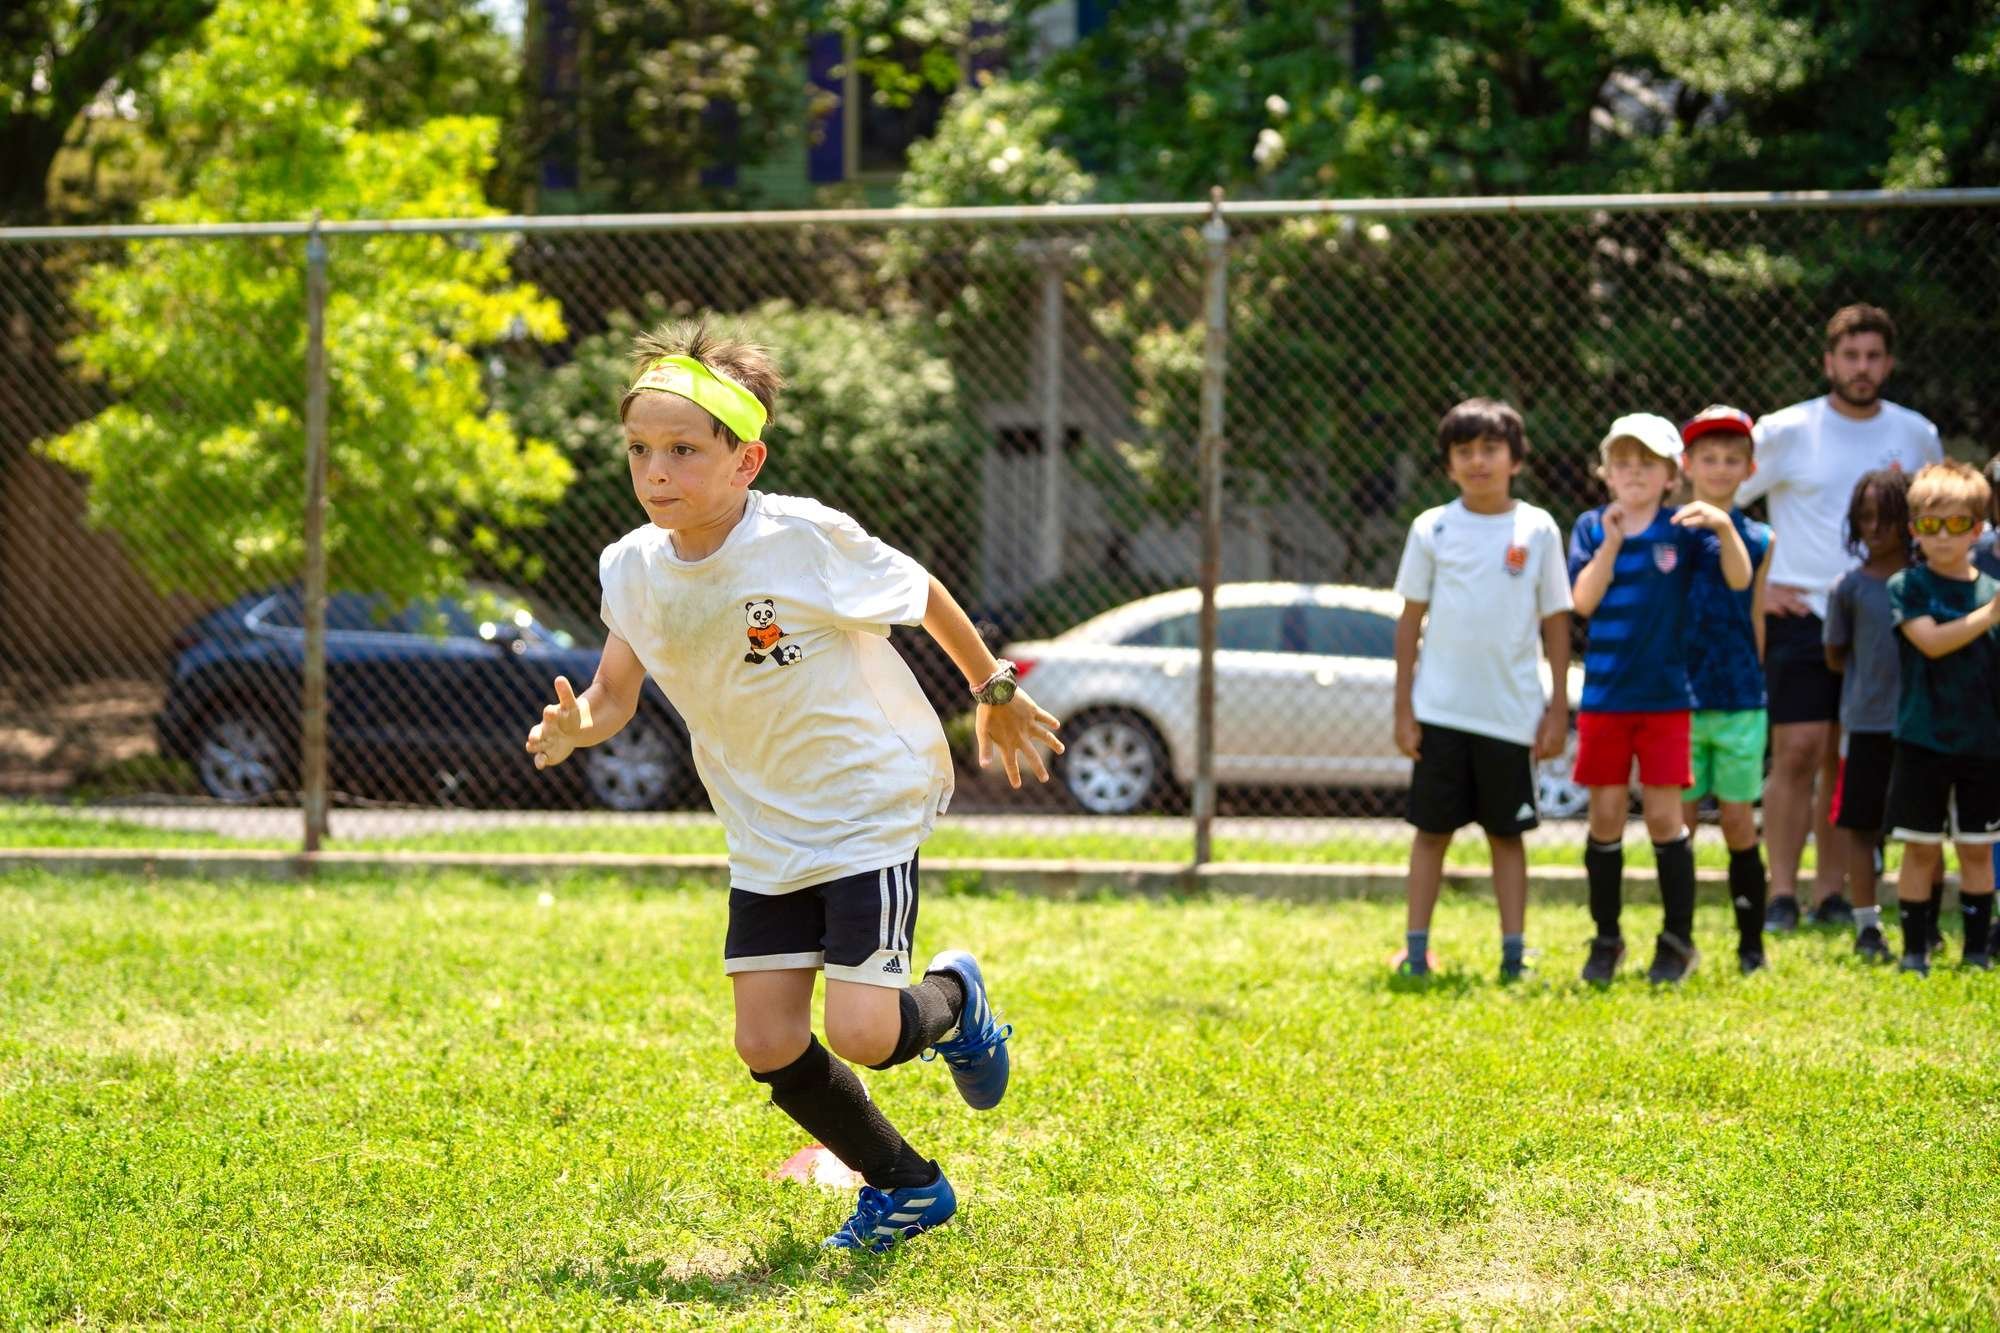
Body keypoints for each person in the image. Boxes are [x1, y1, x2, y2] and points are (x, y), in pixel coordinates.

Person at [524, 318, 1064, 1250]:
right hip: (764, 829)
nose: (657, 471)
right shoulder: (632, 569)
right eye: (640, 450)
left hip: (862, 805)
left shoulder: (804, 539)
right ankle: (906, 1187)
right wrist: (580, 727)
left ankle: (952, 1000)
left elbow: (923, 591)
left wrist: (995, 689)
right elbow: (616, 691)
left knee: (862, 1029)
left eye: (684, 451)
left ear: (746, 460)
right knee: (767, 1042)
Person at [1736, 305, 1942, 932]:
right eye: (1849, 356)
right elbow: (1722, 505)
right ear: (1828, 362)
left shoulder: (1916, 435)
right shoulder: (1786, 430)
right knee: (1797, 750)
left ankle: (1831, 894)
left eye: (1873, 356)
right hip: (1801, 613)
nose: (1861, 368)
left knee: (1846, 760)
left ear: (1889, 362)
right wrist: (1757, 591)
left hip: (1886, 618)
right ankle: (1779, 894)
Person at [1392, 398, 1572, 983]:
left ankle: (1514, 954)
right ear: (1447, 465)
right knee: (1431, 833)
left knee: (1507, 835)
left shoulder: (1538, 528)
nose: (1478, 462)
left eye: (1490, 449)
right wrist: (1403, 708)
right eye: (1464, 451)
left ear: (1515, 459)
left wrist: (1556, 708)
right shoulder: (1432, 528)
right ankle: (1415, 951)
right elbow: (1408, 621)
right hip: (1440, 712)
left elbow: (1556, 622)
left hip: (1510, 716)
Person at [1569, 413, 1752, 985]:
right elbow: (1582, 601)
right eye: (1623, 462)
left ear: (1672, 473)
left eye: (1647, 463)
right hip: (1604, 698)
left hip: (1668, 700)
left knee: (1665, 820)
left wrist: (1725, 529)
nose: (1634, 473)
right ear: (1606, 472)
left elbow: (1741, 580)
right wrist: (1613, 545)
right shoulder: (1592, 527)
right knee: (1603, 819)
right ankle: (1606, 940)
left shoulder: (1686, 527)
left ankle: (1677, 942)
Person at [1884, 460, 2000, 974]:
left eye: (1957, 523)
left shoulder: (1990, 590)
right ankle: (1914, 952)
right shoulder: (1906, 586)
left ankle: (1976, 953)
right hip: (1922, 741)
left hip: (1983, 744)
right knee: (1921, 853)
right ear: (1914, 530)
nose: (1944, 536)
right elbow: (1930, 642)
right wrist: (1990, 616)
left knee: (1977, 853)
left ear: (1978, 529)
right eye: (1931, 525)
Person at [1677, 406, 1775, 973]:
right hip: (1679, 700)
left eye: (1731, 459)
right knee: (1679, 824)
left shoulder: (1760, 537)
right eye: (1708, 458)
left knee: (1739, 823)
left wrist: (1757, 680)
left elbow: (1753, 609)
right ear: (1687, 465)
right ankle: (1679, 941)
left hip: (1740, 698)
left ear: (1749, 469)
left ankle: (1751, 946)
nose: (1719, 469)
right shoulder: (1664, 532)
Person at [1823, 469, 1914, 963]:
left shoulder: (1926, 583)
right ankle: (1867, 925)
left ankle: (1921, 923)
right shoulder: (1849, 588)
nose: (1876, 528)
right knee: (1860, 827)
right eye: (1865, 518)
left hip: (1922, 727)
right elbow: (1835, 655)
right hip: (1865, 726)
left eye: (1888, 518)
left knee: (1922, 832)